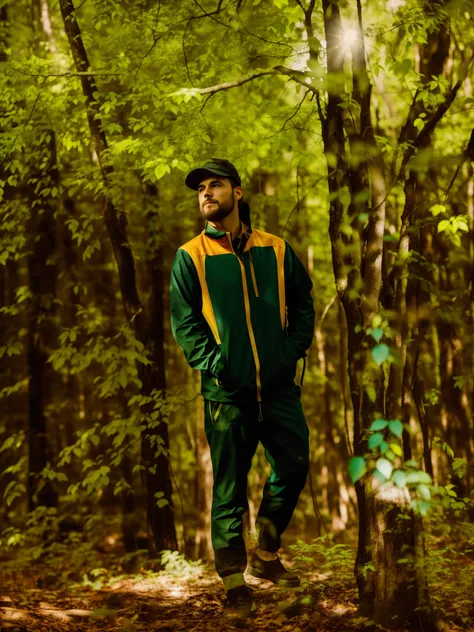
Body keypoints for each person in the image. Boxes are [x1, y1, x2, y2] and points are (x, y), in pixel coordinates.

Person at [169, 159, 314, 620]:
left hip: (276, 388)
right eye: (201, 189)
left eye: (215, 186)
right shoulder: (190, 256)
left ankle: (267, 551)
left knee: (293, 465)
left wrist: (289, 351)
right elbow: (185, 323)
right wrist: (217, 366)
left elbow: (304, 302)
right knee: (228, 488)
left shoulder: (276, 248)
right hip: (226, 394)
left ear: (238, 192)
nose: (206, 194)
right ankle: (234, 581)